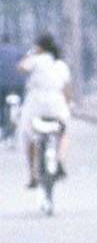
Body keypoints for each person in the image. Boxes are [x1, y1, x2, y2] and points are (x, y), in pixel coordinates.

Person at [18, 33, 74, 187]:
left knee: (28, 137)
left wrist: (31, 53)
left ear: (39, 47)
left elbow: (21, 67)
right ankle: (60, 160)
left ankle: (33, 175)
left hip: (36, 106)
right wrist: (69, 104)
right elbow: (66, 90)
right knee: (63, 133)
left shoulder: (36, 60)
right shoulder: (61, 65)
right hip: (57, 106)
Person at [0, 35, 21, 138]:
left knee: (1, 104)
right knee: (18, 102)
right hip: (17, 84)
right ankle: (15, 122)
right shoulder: (16, 51)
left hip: (1, 84)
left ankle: (2, 126)